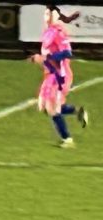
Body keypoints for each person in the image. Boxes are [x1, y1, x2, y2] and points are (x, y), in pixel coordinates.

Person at [32, 6, 89, 148]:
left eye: (48, 13)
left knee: (51, 108)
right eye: (45, 13)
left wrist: (47, 58)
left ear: (55, 16)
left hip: (60, 75)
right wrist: (40, 59)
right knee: (44, 107)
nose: (46, 16)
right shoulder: (47, 32)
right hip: (50, 74)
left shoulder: (59, 32)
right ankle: (76, 111)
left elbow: (67, 53)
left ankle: (67, 140)